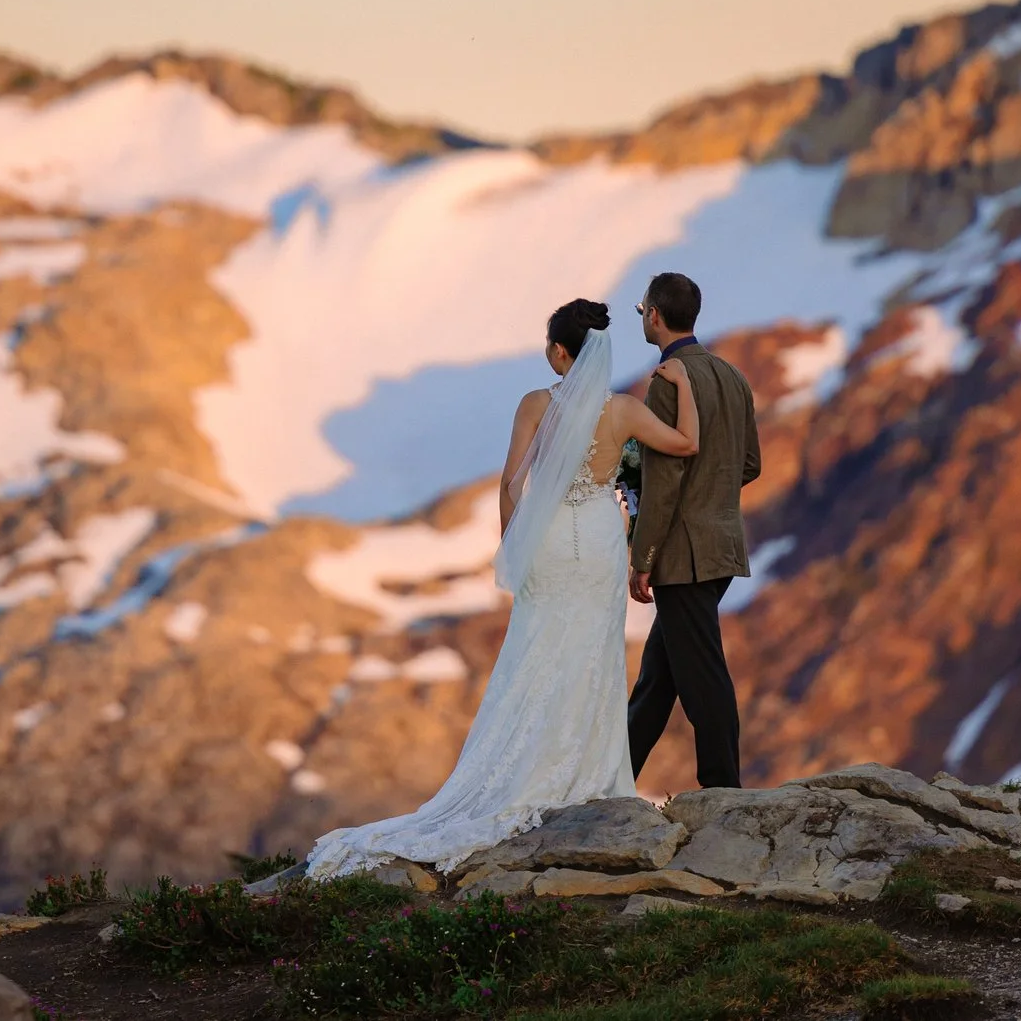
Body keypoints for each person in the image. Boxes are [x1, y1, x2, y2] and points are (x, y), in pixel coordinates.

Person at [305, 298, 700, 878]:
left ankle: (519, 772)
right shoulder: (623, 412)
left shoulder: (537, 404)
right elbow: (687, 443)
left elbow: (512, 482)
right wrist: (683, 383)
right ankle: (588, 776)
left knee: (534, 651)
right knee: (592, 652)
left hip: (548, 541)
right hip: (596, 543)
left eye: (549, 346)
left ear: (562, 353)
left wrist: (514, 544)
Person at [626, 271, 761, 789]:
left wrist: (643, 558)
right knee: (659, 676)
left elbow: (663, 482)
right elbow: (749, 464)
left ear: (655, 315)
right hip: (722, 547)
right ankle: (616, 778)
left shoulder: (668, 382)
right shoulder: (733, 376)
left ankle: (724, 790)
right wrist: (714, 494)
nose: (644, 318)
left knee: (701, 671)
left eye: (642, 311)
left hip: (683, 556)